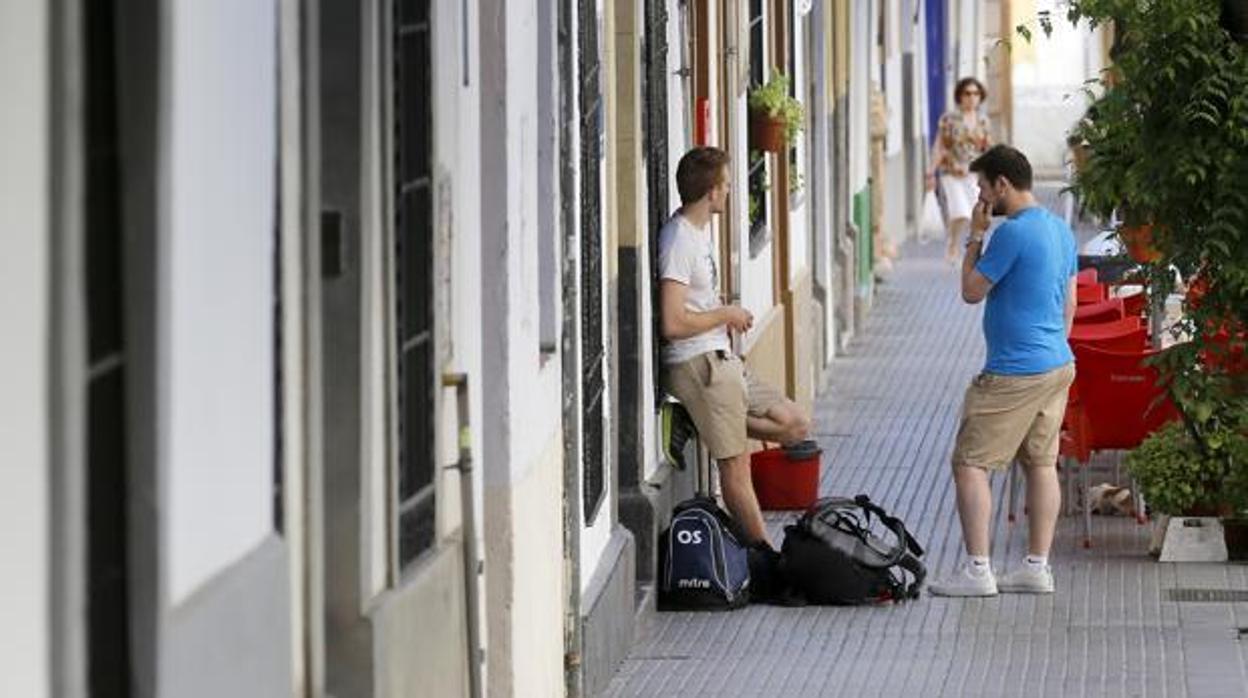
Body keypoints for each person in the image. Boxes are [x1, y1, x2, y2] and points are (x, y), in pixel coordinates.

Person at [928, 145, 1078, 597]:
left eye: (983, 188)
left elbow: (972, 291)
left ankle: (978, 571)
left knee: (970, 463)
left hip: (1014, 371)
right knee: (1041, 463)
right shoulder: (1060, 229)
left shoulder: (1011, 233)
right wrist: (1053, 343)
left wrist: (975, 236)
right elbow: (1069, 302)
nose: (981, 197)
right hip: (1057, 362)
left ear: (1002, 185)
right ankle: (1037, 566)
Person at [658, 146, 811, 547]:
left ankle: (700, 418)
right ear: (711, 192)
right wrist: (726, 314)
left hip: (722, 360)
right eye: (725, 185)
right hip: (699, 364)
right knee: (736, 470)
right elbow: (672, 323)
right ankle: (767, 558)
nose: (729, 192)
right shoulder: (678, 242)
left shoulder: (699, 233)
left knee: (794, 424)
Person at [926, 77, 993, 265]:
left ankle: (973, 250)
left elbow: (987, 149)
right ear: (960, 96)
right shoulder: (949, 119)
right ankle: (953, 244)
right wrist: (931, 171)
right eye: (967, 93)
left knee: (976, 213)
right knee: (960, 211)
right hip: (951, 172)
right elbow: (939, 146)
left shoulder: (983, 121)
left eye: (976, 93)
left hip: (974, 174)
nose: (972, 97)